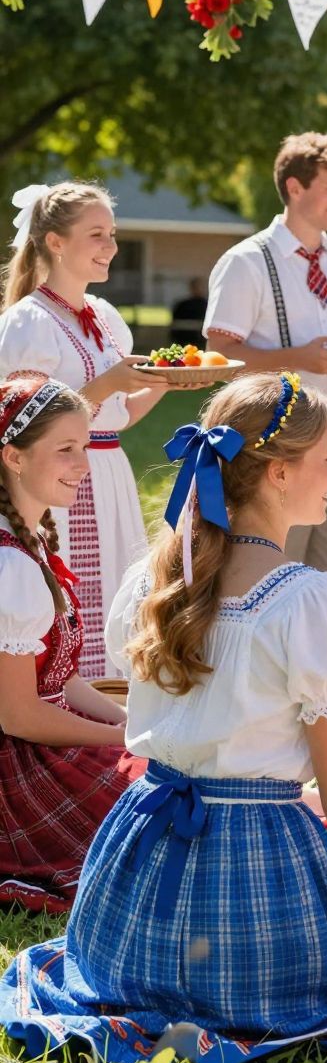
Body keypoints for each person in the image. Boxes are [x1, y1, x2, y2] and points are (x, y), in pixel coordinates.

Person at [0, 371, 327, 1063]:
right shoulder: (308, 604)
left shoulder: (153, 584)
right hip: (252, 896)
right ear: (278, 472)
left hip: (134, 889)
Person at [204, 132, 327, 593]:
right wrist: (297, 359)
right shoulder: (246, 262)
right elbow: (219, 356)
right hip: (276, 442)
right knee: (274, 579)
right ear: (295, 187)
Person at [0, 182, 168, 675]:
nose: (110, 246)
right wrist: (107, 382)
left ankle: (109, 694)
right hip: (57, 478)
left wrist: (167, 382)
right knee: (74, 586)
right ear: (55, 241)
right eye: (96, 234)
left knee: (116, 587)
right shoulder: (28, 323)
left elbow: (120, 416)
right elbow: (24, 422)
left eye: (112, 234)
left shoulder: (105, 317)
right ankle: (62, 691)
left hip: (109, 471)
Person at [0, 378, 135, 911]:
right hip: (20, 768)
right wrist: (122, 738)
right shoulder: (9, 565)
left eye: (84, 446)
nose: (84, 464)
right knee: (169, 808)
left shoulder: (28, 541)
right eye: (66, 450)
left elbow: (58, 677)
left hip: (45, 738)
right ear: (13, 456)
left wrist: (130, 723)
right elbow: (19, 715)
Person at [170, 276, 208, 348]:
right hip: (185, 341)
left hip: (202, 342)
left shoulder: (208, 305)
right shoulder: (182, 305)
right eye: (196, 287)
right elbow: (175, 325)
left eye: (200, 287)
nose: (198, 289)